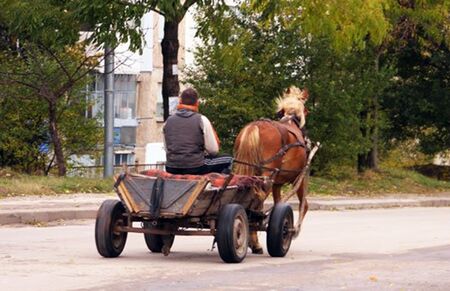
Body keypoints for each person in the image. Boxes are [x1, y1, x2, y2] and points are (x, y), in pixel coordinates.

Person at [163, 88, 232, 175]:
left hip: (171, 167)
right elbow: (213, 150)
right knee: (229, 159)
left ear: (180, 101)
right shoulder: (201, 119)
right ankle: (216, 185)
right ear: (197, 103)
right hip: (195, 167)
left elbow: (166, 148)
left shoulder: (168, 121)